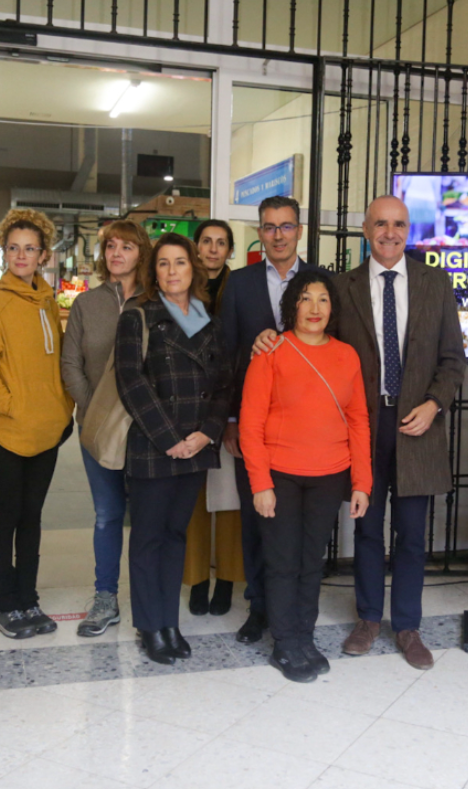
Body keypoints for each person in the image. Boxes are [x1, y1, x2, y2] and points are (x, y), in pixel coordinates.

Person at [329, 195, 465, 668]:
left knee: (411, 533)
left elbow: (452, 360)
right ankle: (368, 618)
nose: (390, 232)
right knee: (367, 529)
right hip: (364, 426)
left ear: (409, 231)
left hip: (418, 424)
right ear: (366, 229)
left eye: (399, 225)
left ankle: (407, 626)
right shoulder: (341, 287)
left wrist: (434, 404)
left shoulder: (434, 283)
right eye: (381, 224)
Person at [242, 271, 372, 682]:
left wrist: (362, 483)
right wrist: (260, 483)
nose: (314, 308)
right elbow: (250, 422)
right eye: (305, 299)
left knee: (311, 563)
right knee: (282, 562)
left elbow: (359, 421)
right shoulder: (272, 351)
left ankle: (304, 635)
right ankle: (284, 642)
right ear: (292, 306)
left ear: (332, 308)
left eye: (322, 300)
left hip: (329, 474)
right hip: (280, 475)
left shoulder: (347, 355)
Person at [116, 233, 232, 664]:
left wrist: (207, 433)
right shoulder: (138, 317)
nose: (172, 272)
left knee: (175, 535)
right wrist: (170, 440)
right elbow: (131, 381)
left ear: (193, 268)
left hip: (197, 446)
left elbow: (224, 385)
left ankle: (170, 623)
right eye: (163, 264)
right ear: (153, 271)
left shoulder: (210, 321)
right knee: (148, 538)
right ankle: (150, 626)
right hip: (154, 445)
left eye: (180, 263)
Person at [219, 196, 324, 644]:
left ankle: (297, 613)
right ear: (259, 234)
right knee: (256, 518)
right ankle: (259, 609)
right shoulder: (239, 284)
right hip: (253, 426)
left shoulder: (321, 282)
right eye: (269, 227)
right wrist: (227, 419)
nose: (278, 235)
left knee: (300, 528)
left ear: (299, 231)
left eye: (285, 226)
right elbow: (225, 353)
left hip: (306, 428)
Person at [0, 209, 74, 639]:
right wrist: (11, 405)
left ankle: (28, 599)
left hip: (47, 430)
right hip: (5, 431)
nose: (21, 256)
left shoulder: (48, 301)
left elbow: (58, 361)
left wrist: (62, 407)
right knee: (7, 516)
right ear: (4, 252)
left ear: (44, 254)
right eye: (14, 248)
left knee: (33, 518)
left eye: (30, 249)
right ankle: (3, 604)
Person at [61, 220, 152, 637]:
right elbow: (70, 365)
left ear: (141, 253)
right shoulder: (86, 304)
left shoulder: (158, 301)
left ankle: (151, 603)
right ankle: (105, 598)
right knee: (107, 515)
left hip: (148, 430)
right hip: (97, 431)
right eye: (111, 246)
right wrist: (93, 411)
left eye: (127, 247)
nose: (117, 253)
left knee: (149, 518)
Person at [186, 218, 245, 616]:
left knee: (228, 499)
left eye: (221, 243)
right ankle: (196, 580)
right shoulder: (179, 286)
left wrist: (234, 415)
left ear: (229, 251)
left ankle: (225, 579)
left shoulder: (240, 288)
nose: (212, 249)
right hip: (187, 408)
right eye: (206, 241)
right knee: (191, 501)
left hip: (228, 405)